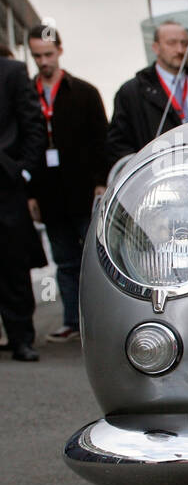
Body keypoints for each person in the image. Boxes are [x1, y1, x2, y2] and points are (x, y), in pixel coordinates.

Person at [25, 25, 110, 343]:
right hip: (49, 194)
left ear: (60, 51)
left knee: (94, 259)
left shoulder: (83, 92)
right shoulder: (28, 92)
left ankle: (99, 323)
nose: (43, 61)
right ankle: (72, 321)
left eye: (47, 54)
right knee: (64, 259)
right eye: (37, 56)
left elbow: (101, 138)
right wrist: (30, 194)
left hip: (83, 189)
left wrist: (101, 183)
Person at [0, 52, 48, 361]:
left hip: (6, 183)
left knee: (12, 262)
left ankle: (21, 339)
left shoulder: (13, 72)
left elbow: (33, 124)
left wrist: (24, 170)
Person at [107, 20, 188, 161]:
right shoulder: (131, 92)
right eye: (171, 43)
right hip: (156, 177)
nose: (180, 50)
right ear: (156, 47)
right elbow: (118, 143)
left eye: (185, 43)